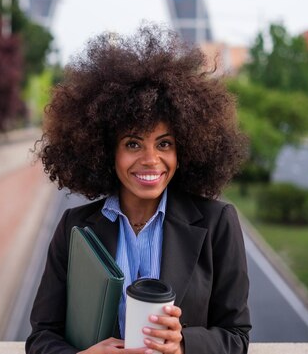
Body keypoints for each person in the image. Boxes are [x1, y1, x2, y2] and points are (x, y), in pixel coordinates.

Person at [27, 25, 251, 354]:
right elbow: (41, 338)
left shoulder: (218, 224)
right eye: (133, 143)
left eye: (164, 144)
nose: (151, 160)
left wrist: (184, 344)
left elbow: (237, 337)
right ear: (107, 151)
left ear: (184, 150)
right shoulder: (74, 229)